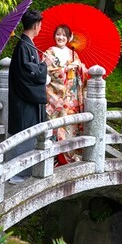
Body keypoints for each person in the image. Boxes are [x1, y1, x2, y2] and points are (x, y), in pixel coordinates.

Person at [7, 9, 47, 183]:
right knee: (24, 133)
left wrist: (41, 65)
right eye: (40, 25)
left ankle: (24, 171)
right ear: (36, 25)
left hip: (26, 99)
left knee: (28, 133)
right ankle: (18, 173)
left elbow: (32, 71)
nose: (40, 28)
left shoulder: (26, 45)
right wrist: (45, 65)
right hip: (24, 100)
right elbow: (29, 75)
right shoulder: (24, 46)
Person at [44, 24, 87, 165]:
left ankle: (71, 154)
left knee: (71, 126)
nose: (60, 37)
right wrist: (65, 69)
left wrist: (80, 68)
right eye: (58, 34)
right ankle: (55, 157)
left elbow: (82, 74)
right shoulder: (49, 52)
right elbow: (47, 71)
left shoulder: (73, 53)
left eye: (64, 35)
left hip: (71, 98)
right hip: (56, 97)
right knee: (56, 125)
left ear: (69, 38)